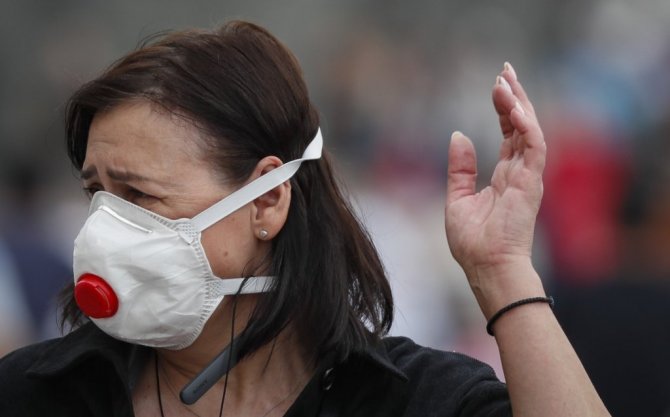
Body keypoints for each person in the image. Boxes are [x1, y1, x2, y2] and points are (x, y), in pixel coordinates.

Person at [0, 21, 610, 416]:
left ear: (267, 201)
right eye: (96, 193)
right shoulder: (35, 393)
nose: (104, 228)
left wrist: (502, 270)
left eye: (138, 194)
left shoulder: (406, 399)